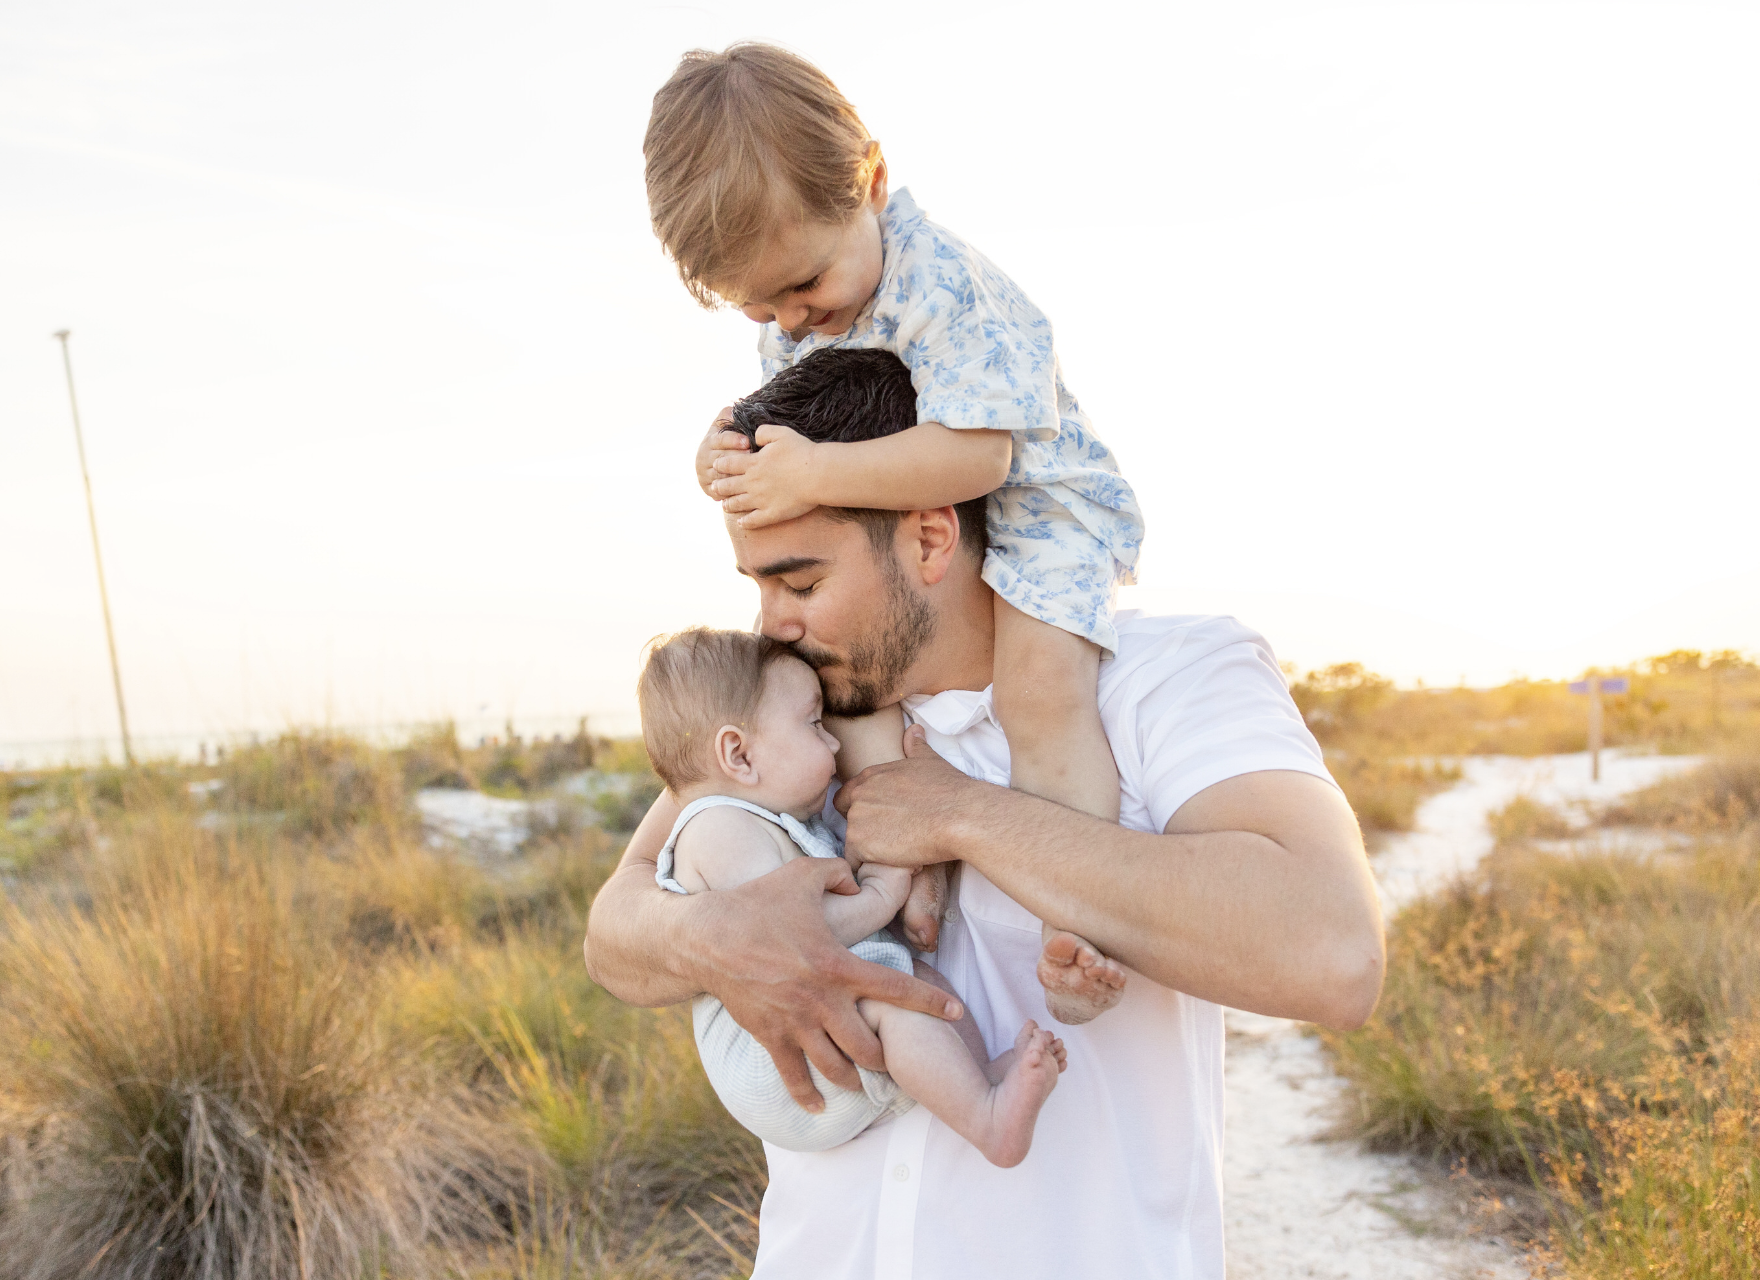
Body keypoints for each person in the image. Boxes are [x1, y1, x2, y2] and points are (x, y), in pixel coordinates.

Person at [584, 349, 1386, 1279]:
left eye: (800, 584)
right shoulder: (794, 719)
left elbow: (1335, 955)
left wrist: (966, 818)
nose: (772, 627)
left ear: (930, 538)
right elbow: (616, 931)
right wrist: (715, 938)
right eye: (756, 586)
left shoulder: (1171, 676)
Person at [644, 43, 1142, 1023]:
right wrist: (721, 453)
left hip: (1040, 506)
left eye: (804, 285)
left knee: (1041, 690)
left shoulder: (946, 283)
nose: (794, 317)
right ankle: (903, 867)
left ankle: (1076, 916)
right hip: (918, 540)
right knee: (848, 690)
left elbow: (978, 458)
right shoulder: (808, 295)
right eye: (762, 305)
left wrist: (818, 471)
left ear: (870, 182)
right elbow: (798, 405)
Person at [635, 625, 1068, 1167]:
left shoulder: (769, 815)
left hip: (802, 1023)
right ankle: (987, 1120)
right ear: (738, 755)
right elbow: (796, 938)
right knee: (893, 996)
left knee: (920, 985)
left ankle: (973, 1079)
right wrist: (881, 894)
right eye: (814, 725)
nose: (835, 743)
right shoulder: (720, 829)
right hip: (770, 1057)